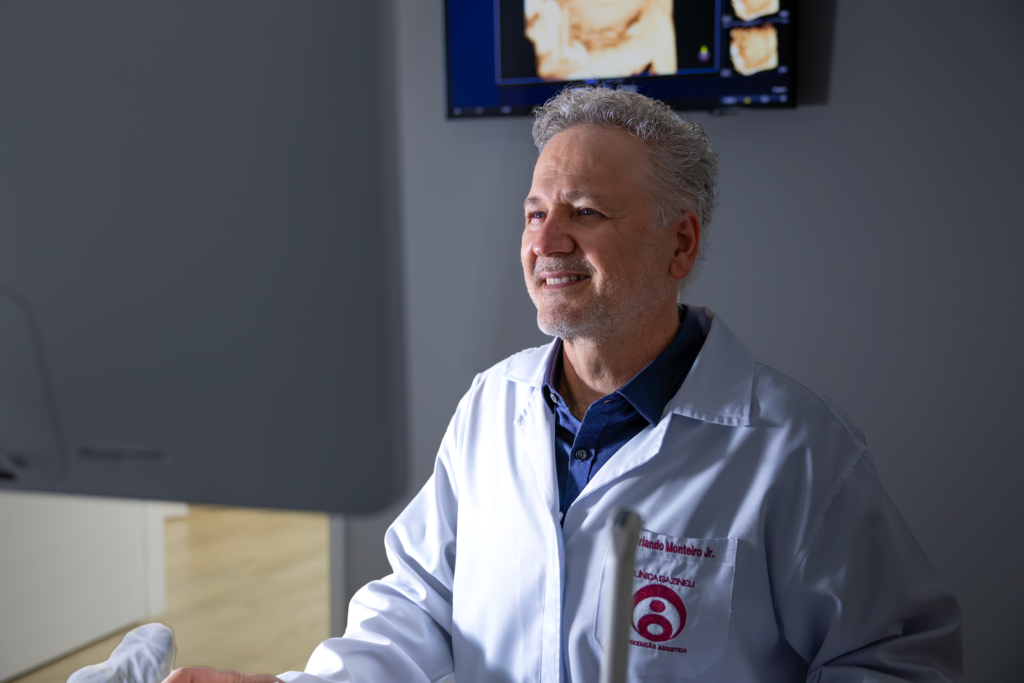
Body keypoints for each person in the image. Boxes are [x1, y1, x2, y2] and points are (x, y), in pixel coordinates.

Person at [164, 87, 962, 683]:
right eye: (534, 211)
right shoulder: (491, 407)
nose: (546, 240)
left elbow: (898, 659)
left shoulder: (793, 447)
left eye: (583, 211)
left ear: (679, 243)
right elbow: (417, 602)